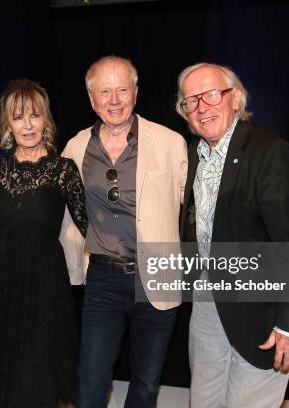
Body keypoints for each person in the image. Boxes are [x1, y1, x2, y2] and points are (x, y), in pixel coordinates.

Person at [176, 62, 289, 407]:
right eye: (190, 101)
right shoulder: (193, 155)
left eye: (210, 95)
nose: (201, 107)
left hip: (261, 308)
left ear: (235, 98)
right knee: (204, 402)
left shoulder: (269, 151)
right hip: (208, 301)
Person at [59, 55, 188, 407]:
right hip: (103, 279)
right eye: (104, 91)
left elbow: (183, 207)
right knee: (90, 380)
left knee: (146, 383)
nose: (114, 100)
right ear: (92, 100)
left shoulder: (170, 142)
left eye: (121, 89)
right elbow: (68, 213)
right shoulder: (75, 147)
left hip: (156, 275)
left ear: (135, 93)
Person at [0, 79, 87, 407]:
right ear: (8, 124)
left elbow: (91, 226)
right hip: (0, 280)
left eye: (34, 115)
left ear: (45, 120)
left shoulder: (63, 171)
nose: (28, 124)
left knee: (39, 362)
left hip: (45, 282)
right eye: (18, 117)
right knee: (1, 362)